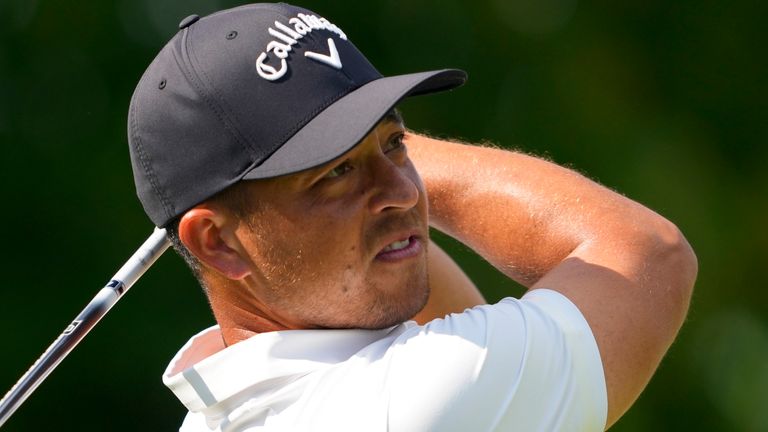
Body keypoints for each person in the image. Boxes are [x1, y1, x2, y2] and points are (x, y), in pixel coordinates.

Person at [127, 3, 697, 431]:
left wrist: (356, 151)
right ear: (217, 242)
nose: (402, 189)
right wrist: (389, 141)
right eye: (335, 172)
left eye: (396, 143)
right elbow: (647, 254)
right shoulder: (410, 402)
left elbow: (435, 311)